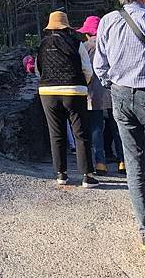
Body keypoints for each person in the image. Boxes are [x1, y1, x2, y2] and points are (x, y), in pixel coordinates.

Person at [94, 0, 145, 255]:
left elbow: (100, 65)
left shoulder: (108, 21)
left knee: (134, 166)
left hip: (120, 96)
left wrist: (115, 86)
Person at [36, 11, 99, 188]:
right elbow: (88, 69)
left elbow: (37, 69)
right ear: (66, 26)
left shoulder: (42, 44)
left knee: (56, 133)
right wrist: (82, 85)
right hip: (74, 90)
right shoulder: (76, 43)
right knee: (81, 133)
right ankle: (87, 175)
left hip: (48, 92)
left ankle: (61, 174)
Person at [77, 16, 125, 176]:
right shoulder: (112, 43)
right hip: (113, 90)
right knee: (117, 127)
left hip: (93, 93)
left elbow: (83, 70)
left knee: (96, 128)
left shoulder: (84, 47)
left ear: (87, 33)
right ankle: (122, 161)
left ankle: (100, 163)